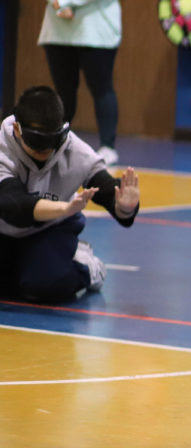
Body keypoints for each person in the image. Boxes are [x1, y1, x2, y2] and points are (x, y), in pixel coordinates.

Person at [0, 85, 138, 303]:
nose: (43, 155)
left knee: (45, 286)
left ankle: (86, 266)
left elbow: (106, 190)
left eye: (49, 148)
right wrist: (64, 208)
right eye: (36, 148)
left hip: (50, 229)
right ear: (17, 130)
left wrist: (124, 208)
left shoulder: (75, 150)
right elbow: (12, 204)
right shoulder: (2, 147)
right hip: (6, 227)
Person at [38, 0, 121, 165]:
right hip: (58, 32)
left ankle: (107, 146)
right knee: (63, 92)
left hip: (96, 30)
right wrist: (58, 4)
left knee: (101, 89)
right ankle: (56, 142)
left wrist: (65, 2)